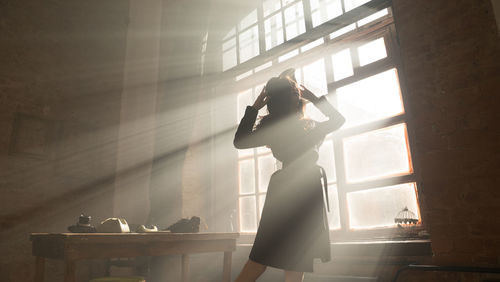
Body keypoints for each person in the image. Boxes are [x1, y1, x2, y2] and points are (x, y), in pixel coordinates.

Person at [233, 70, 346, 282]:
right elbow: (240, 142)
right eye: (294, 91)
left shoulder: (309, 124)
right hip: (288, 189)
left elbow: (339, 120)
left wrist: (314, 99)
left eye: (297, 91)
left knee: (297, 259)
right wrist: (254, 108)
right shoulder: (277, 127)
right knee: (261, 257)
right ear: (286, 98)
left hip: (308, 190)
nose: (299, 93)